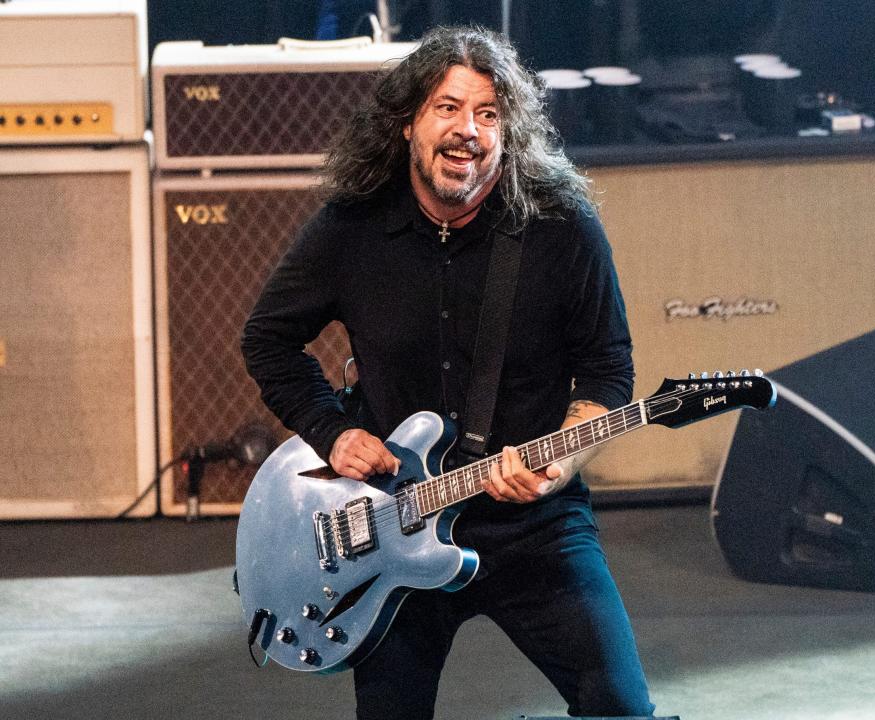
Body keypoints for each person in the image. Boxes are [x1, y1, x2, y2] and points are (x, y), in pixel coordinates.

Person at [241, 25, 656, 720]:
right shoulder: (351, 228)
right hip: (391, 528)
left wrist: (558, 463)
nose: (469, 130)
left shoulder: (562, 227)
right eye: (448, 108)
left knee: (621, 708)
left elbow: (608, 371)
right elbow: (268, 340)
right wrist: (332, 432)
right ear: (407, 123)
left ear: (510, 132)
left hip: (536, 532)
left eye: (488, 114)